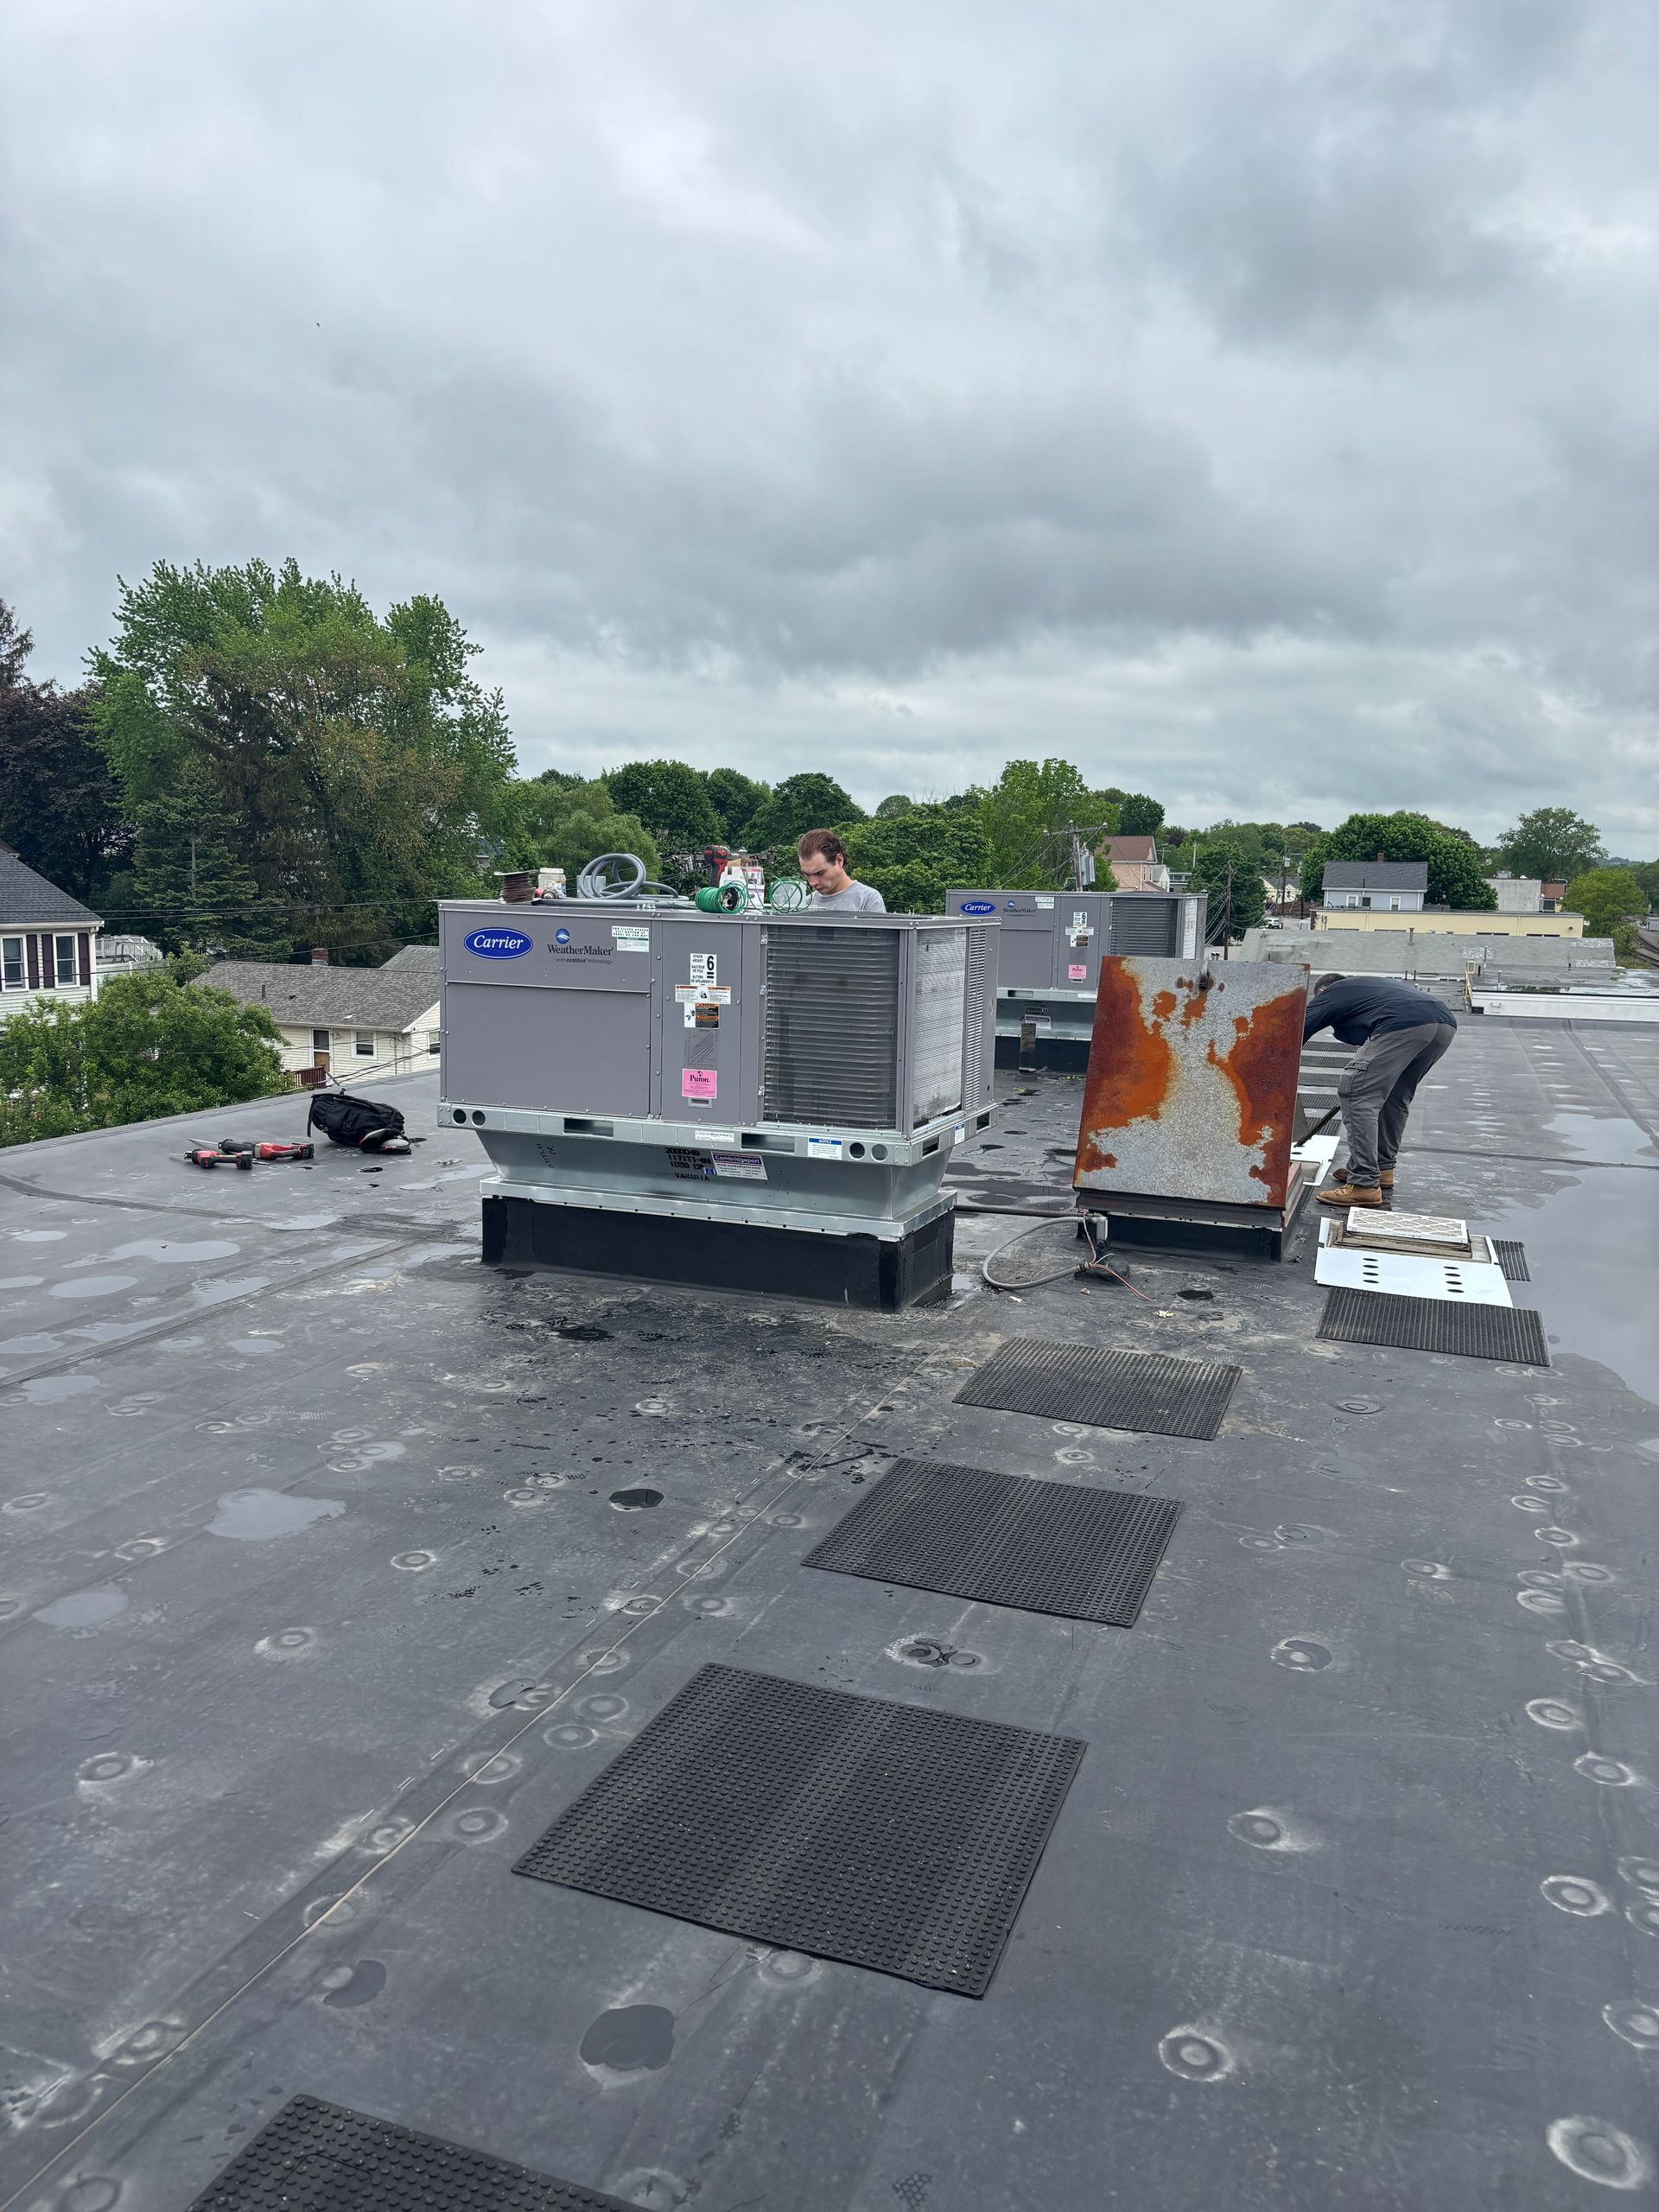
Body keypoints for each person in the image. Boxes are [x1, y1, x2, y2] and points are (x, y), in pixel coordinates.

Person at [1303, 969, 1456, 1208]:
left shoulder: (1332, 992)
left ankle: (1364, 1183)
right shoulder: (1369, 990)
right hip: (1442, 1024)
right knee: (1394, 1098)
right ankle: (1383, 1169)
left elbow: (1298, 1028)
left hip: (1405, 1023)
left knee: (1357, 1091)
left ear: (1322, 992)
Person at [797, 829, 886, 912]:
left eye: (820, 873)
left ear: (839, 860)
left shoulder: (867, 899)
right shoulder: (804, 905)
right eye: (807, 875)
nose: (813, 882)